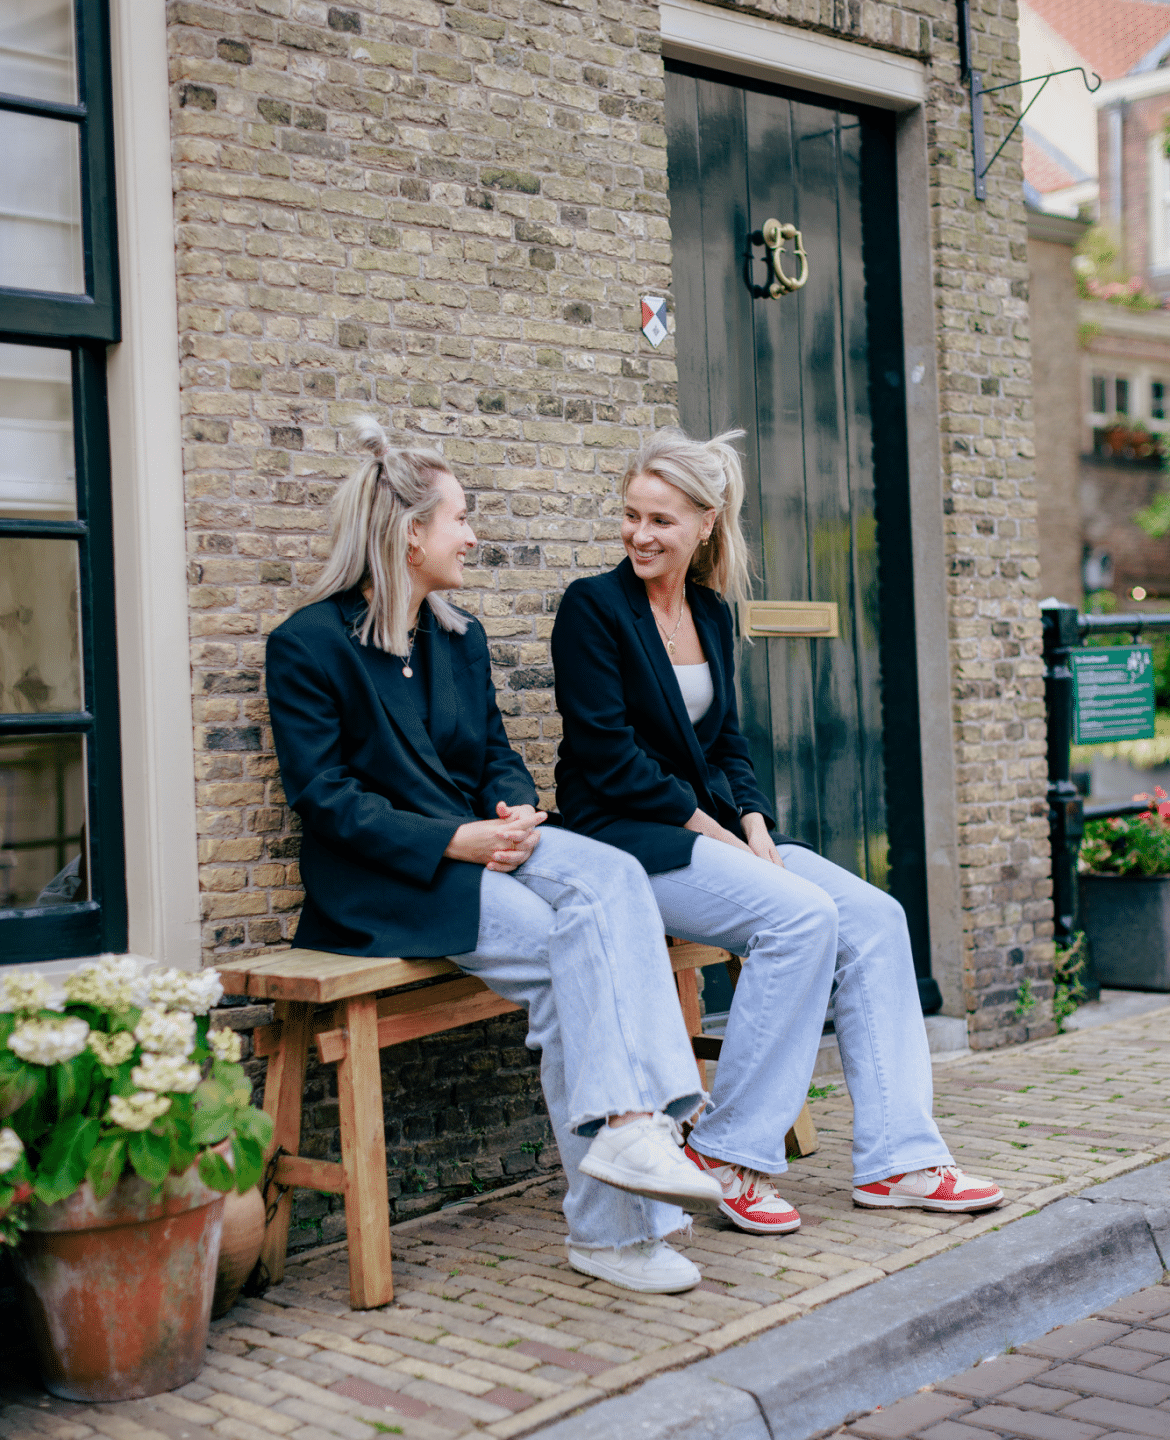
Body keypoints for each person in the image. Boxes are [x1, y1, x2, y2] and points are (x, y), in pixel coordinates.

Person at [264, 418, 726, 1296]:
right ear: (412, 534)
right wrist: (455, 837)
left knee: (613, 874)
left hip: (481, 850)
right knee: (566, 955)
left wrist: (511, 804)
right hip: (389, 882)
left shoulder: (458, 636)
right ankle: (617, 1209)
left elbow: (492, 753)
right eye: (460, 520)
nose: (472, 536)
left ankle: (647, 1122)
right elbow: (326, 802)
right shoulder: (309, 646)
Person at [550, 427, 1005, 1234]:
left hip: (714, 834)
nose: (640, 535)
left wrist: (755, 827)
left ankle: (899, 1158)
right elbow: (609, 758)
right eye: (631, 516)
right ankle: (728, 1154)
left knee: (875, 917)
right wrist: (726, 842)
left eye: (660, 520)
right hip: (630, 841)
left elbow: (728, 743)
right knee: (798, 914)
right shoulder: (593, 607)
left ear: (705, 523)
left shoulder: (711, 613)